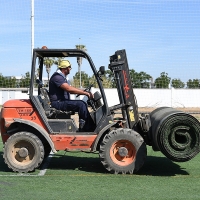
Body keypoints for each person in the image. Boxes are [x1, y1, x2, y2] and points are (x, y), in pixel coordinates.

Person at [49, 60, 95, 132]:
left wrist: (84, 91)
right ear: (65, 68)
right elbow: (68, 89)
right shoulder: (57, 77)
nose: (70, 69)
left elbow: (71, 88)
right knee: (81, 104)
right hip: (58, 103)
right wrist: (86, 93)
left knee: (81, 103)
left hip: (62, 101)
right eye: (69, 67)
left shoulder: (62, 77)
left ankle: (87, 126)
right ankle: (88, 128)